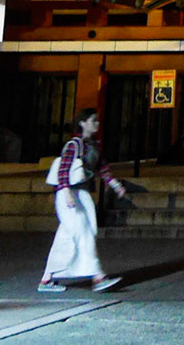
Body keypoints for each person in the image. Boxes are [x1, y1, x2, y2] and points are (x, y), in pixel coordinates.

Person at [38, 108, 128, 293]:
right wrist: (66, 192)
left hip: (82, 195)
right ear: (82, 123)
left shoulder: (93, 145)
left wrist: (116, 185)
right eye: (93, 120)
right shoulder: (74, 145)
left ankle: (47, 279)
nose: (97, 123)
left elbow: (103, 169)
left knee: (68, 236)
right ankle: (98, 276)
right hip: (70, 194)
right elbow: (63, 169)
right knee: (84, 233)